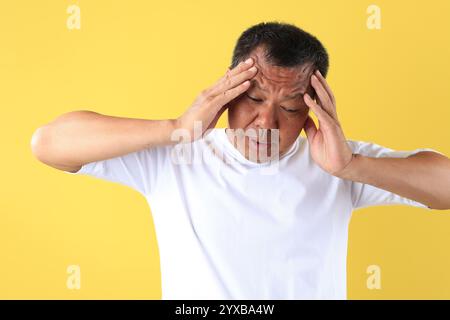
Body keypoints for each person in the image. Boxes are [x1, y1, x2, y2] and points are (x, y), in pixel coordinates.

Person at [30, 21, 450, 299]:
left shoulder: (337, 160)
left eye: (289, 108)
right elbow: (48, 143)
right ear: (229, 88)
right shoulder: (177, 154)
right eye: (252, 99)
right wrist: (176, 125)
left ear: (313, 109)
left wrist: (352, 167)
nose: (265, 121)